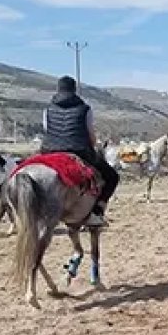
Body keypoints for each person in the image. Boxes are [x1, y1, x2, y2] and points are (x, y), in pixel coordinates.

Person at [40, 76, 118, 226]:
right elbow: (90, 134)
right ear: (74, 89)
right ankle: (97, 211)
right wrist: (93, 145)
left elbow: (47, 130)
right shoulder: (85, 109)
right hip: (78, 150)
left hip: (50, 151)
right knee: (111, 176)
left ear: (58, 89)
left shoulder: (47, 110)